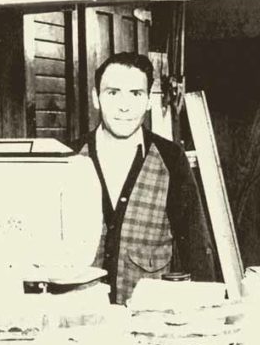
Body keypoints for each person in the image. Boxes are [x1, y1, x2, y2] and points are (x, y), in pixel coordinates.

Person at [79, 52, 214, 304]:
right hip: (80, 323)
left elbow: (195, 247)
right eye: (113, 92)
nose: (124, 105)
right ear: (96, 98)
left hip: (147, 326)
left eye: (136, 94)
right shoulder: (70, 157)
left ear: (149, 102)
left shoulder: (171, 158)